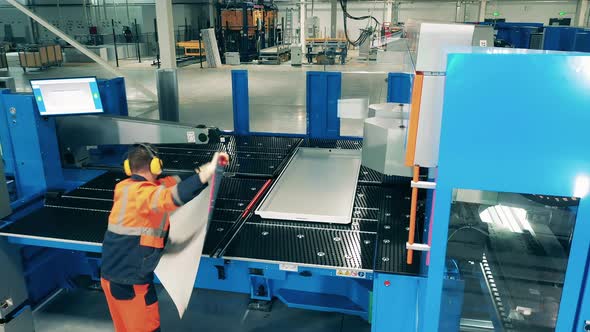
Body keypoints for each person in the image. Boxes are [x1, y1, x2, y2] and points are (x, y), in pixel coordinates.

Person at [101, 143, 229, 332]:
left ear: (129, 167)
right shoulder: (144, 194)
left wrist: (203, 170)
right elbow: (173, 196)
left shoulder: (125, 187)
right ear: (155, 166)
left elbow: (173, 183)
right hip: (130, 282)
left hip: (112, 275)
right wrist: (208, 171)